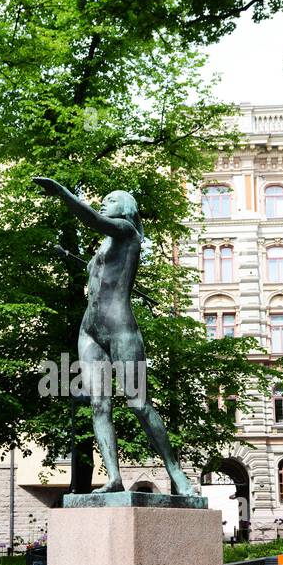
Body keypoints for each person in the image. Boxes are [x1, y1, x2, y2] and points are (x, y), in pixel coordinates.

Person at [32, 176, 196, 495]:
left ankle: (175, 471)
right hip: (90, 329)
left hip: (120, 327)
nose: (106, 202)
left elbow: (92, 218)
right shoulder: (103, 247)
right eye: (104, 199)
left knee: (138, 404)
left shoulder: (127, 231)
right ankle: (113, 477)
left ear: (126, 207)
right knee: (98, 405)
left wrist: (62, 193)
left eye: (112, 199)